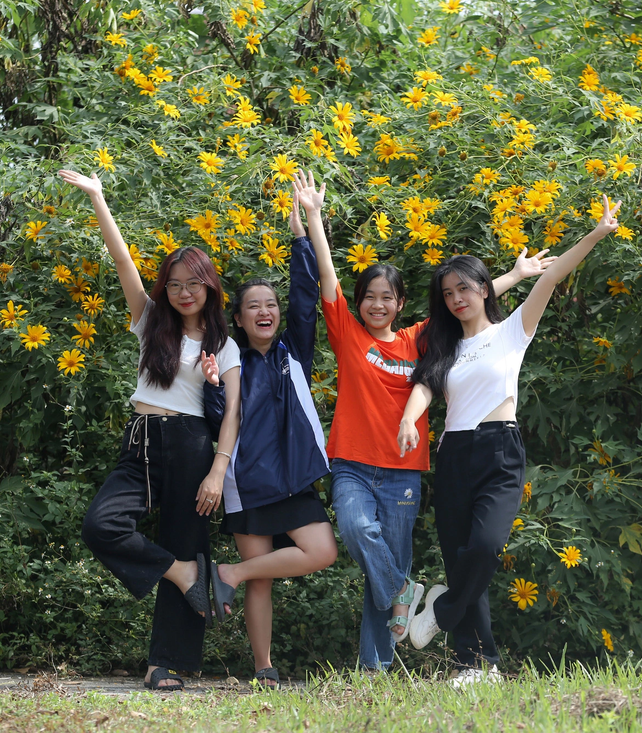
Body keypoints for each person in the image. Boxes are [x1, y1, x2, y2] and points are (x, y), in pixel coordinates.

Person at [288, 171, 557, 672]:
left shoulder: (417, 339)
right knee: (353, 526)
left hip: (403, 470)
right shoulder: (347, 333)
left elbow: (468, 301)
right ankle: (406, 593)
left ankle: (376, 669)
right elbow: (326, 276)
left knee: (383, 563)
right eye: (368, 296)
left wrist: (516, 277)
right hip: (350, 461)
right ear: (359, 301)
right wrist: (314, 216)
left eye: (387, 298)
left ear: (400, 304)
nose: (376, 304)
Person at [398, 194, 622, 687]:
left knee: (483, 547)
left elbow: (551, 276)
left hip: (499, 449)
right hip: (452, 454)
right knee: (460, 558)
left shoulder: (512, 330)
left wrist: (597, 232)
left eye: (465, 289)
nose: (457, 299)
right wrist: (410, 420)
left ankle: (442, 609)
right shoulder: (443, 346)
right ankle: (477, 665)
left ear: (483, 288)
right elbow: (424, 387)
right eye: (448, 294)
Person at [59, 169, 243, 693]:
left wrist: (217, 470)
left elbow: (231, 413)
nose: (184, 292)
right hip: (140, 440)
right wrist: (98, 198)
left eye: (194, 283)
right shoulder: (149, 322)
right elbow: (122, 260)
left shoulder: (222, 346)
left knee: (189, 538)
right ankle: (183, 574)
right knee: (102, 525)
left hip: (192, 446)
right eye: (175, 284)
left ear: (210, 287)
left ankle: (166, 663)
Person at [203, 190, 339, 689]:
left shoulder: (293, 353)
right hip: (247, 481)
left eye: (270, 305)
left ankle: (227, 575)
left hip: (295, 477)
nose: (265, 311)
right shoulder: (229, 360)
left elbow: (307, 297)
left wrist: (301, 231)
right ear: (237, 319)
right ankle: (263, 668)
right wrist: (213, 384)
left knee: (321, 550)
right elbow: (220, 419)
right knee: (261, 576)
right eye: (252, 307)